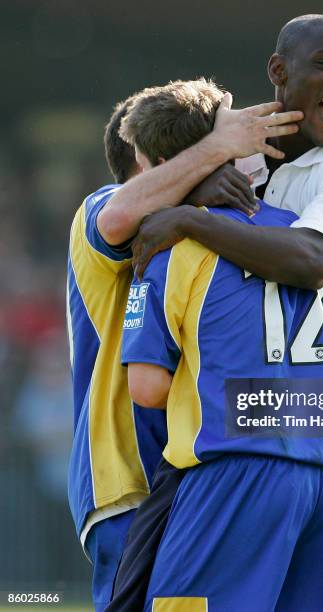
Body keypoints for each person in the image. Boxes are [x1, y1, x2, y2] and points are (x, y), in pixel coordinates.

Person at [113, 15, 323, 612]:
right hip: (264, 392)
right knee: (145, 557)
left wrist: (190, 217)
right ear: (278, 73)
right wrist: (195, 188)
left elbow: (313, 261)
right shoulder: (236, 143)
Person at [66, 90, 302, 611]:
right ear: (150, 163)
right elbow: (118, 218)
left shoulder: (229, 233)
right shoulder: (100, 208)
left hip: (213, 477)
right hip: (129, 478)